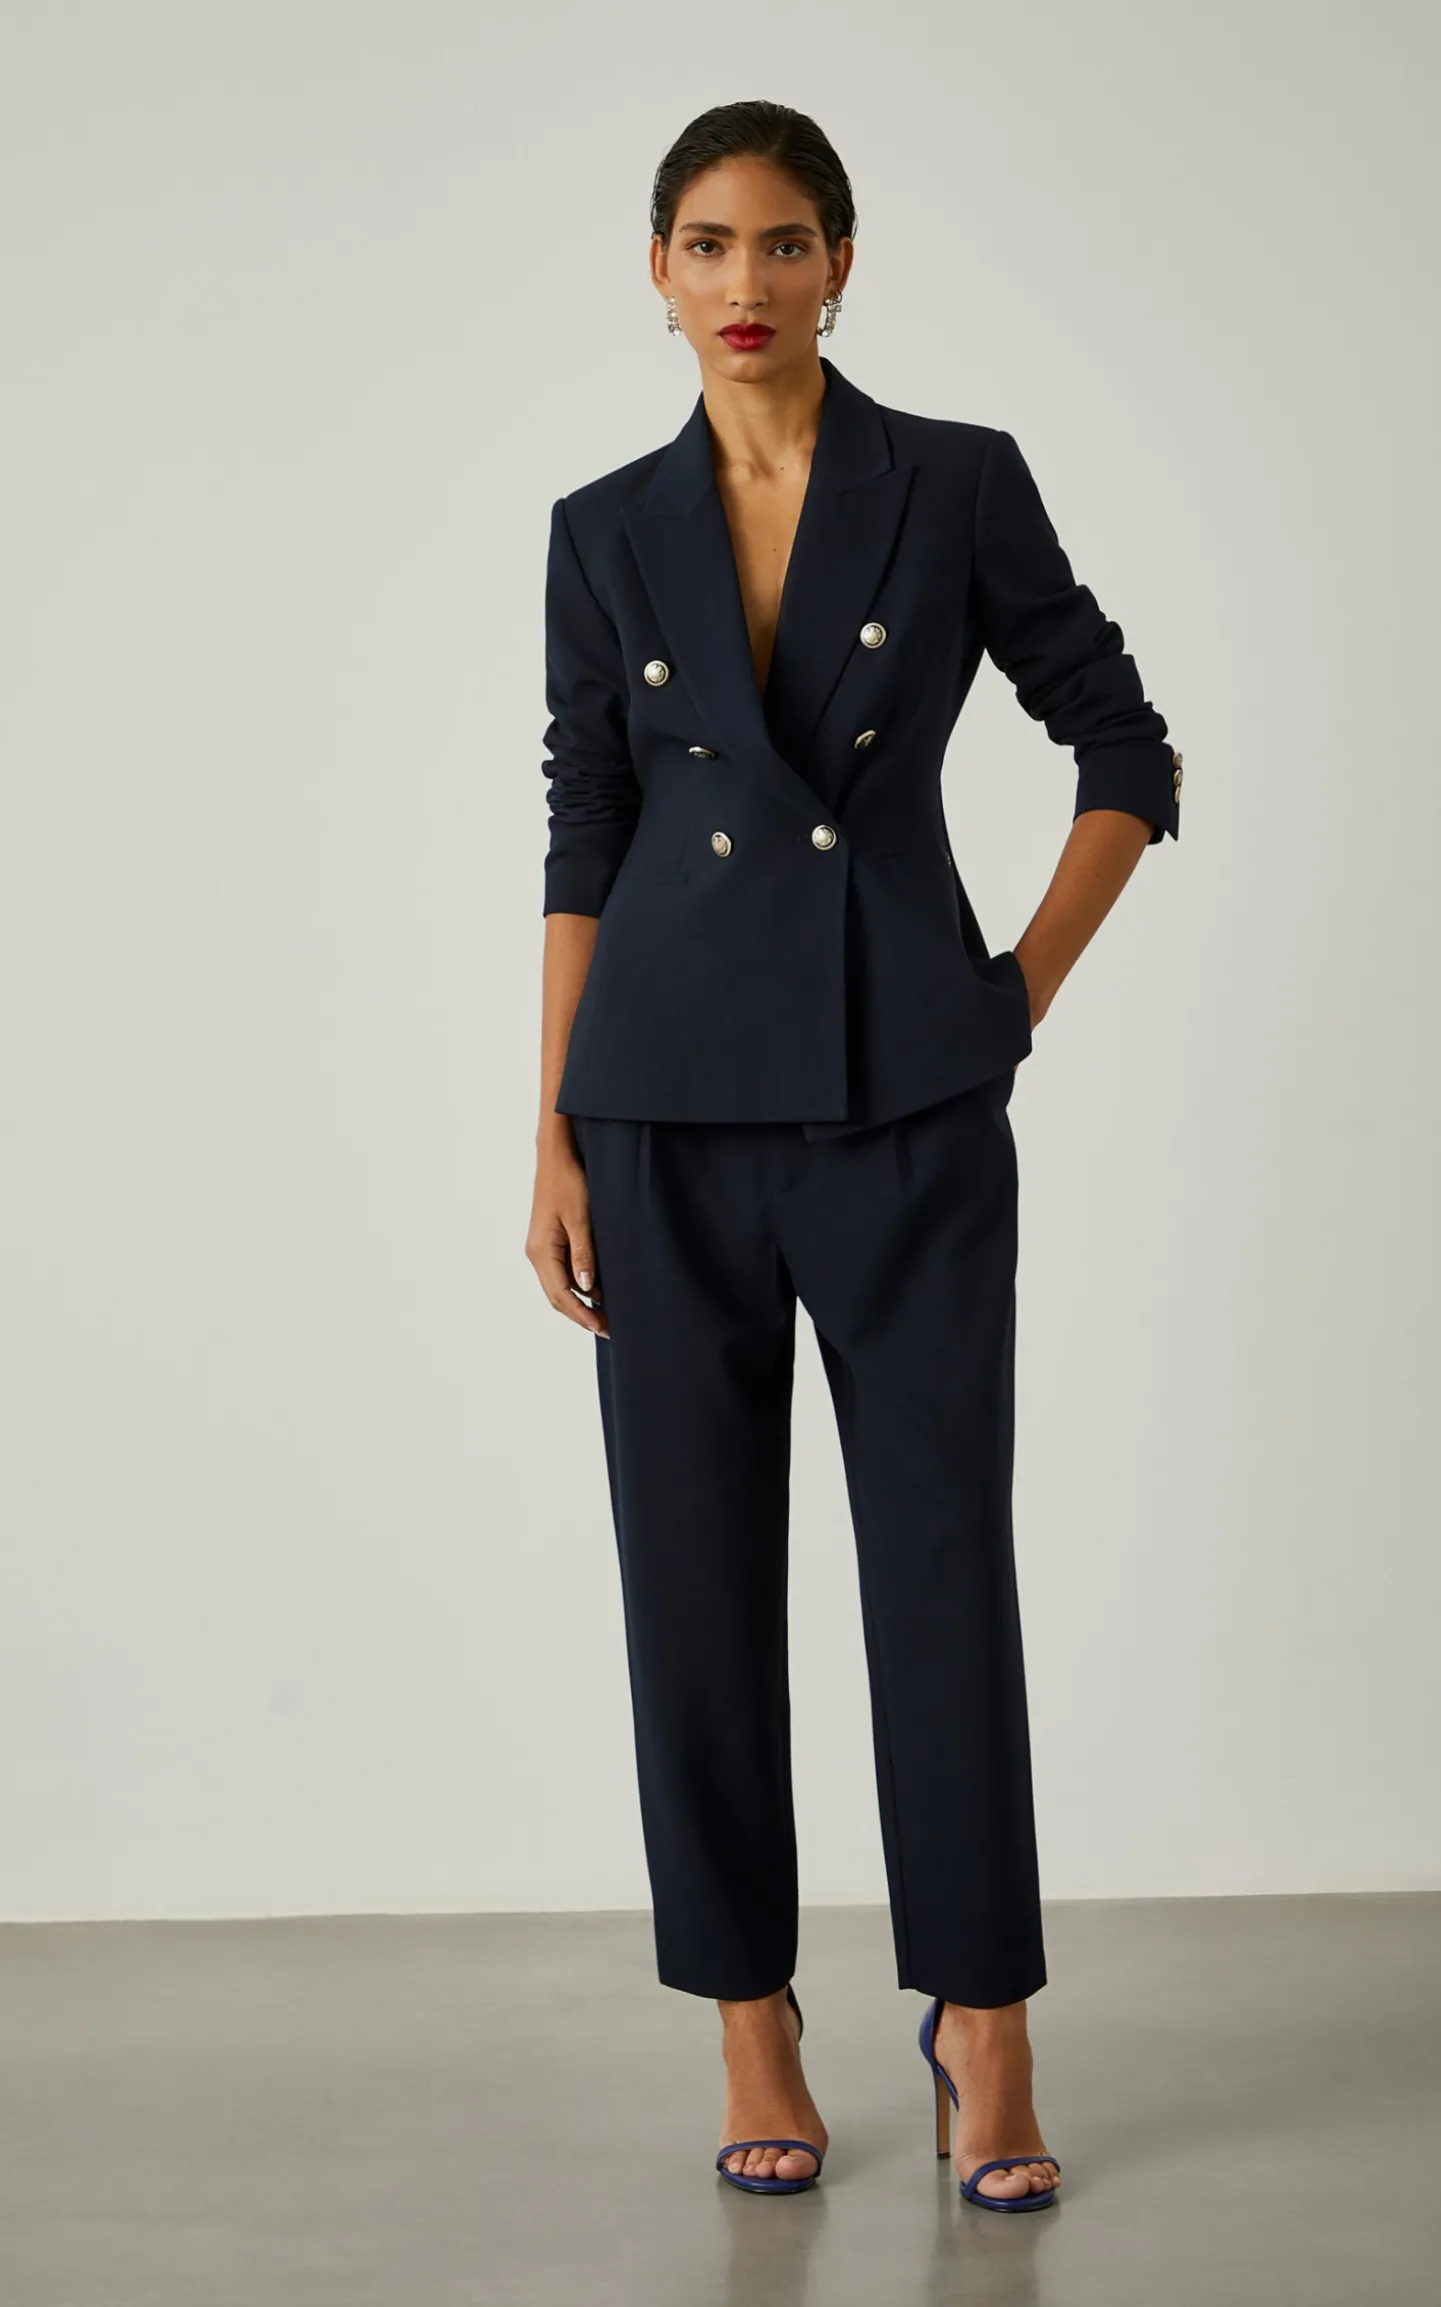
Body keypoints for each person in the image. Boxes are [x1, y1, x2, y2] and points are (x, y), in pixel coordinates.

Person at [524, 99, 1182, 2212]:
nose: (748, 282)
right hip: (660, 1111)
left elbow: (1125, 742)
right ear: (658, 270)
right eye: (709, 244)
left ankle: (984, 2019)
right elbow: (586, 829)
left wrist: (1017, 989)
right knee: (694, 1582)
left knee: (941, 1564)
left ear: (841, 262)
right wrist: (552, 1125)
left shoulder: (952, 482)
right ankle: (750, 2014)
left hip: (904, 1100)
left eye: (786, 242)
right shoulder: (603, 527)